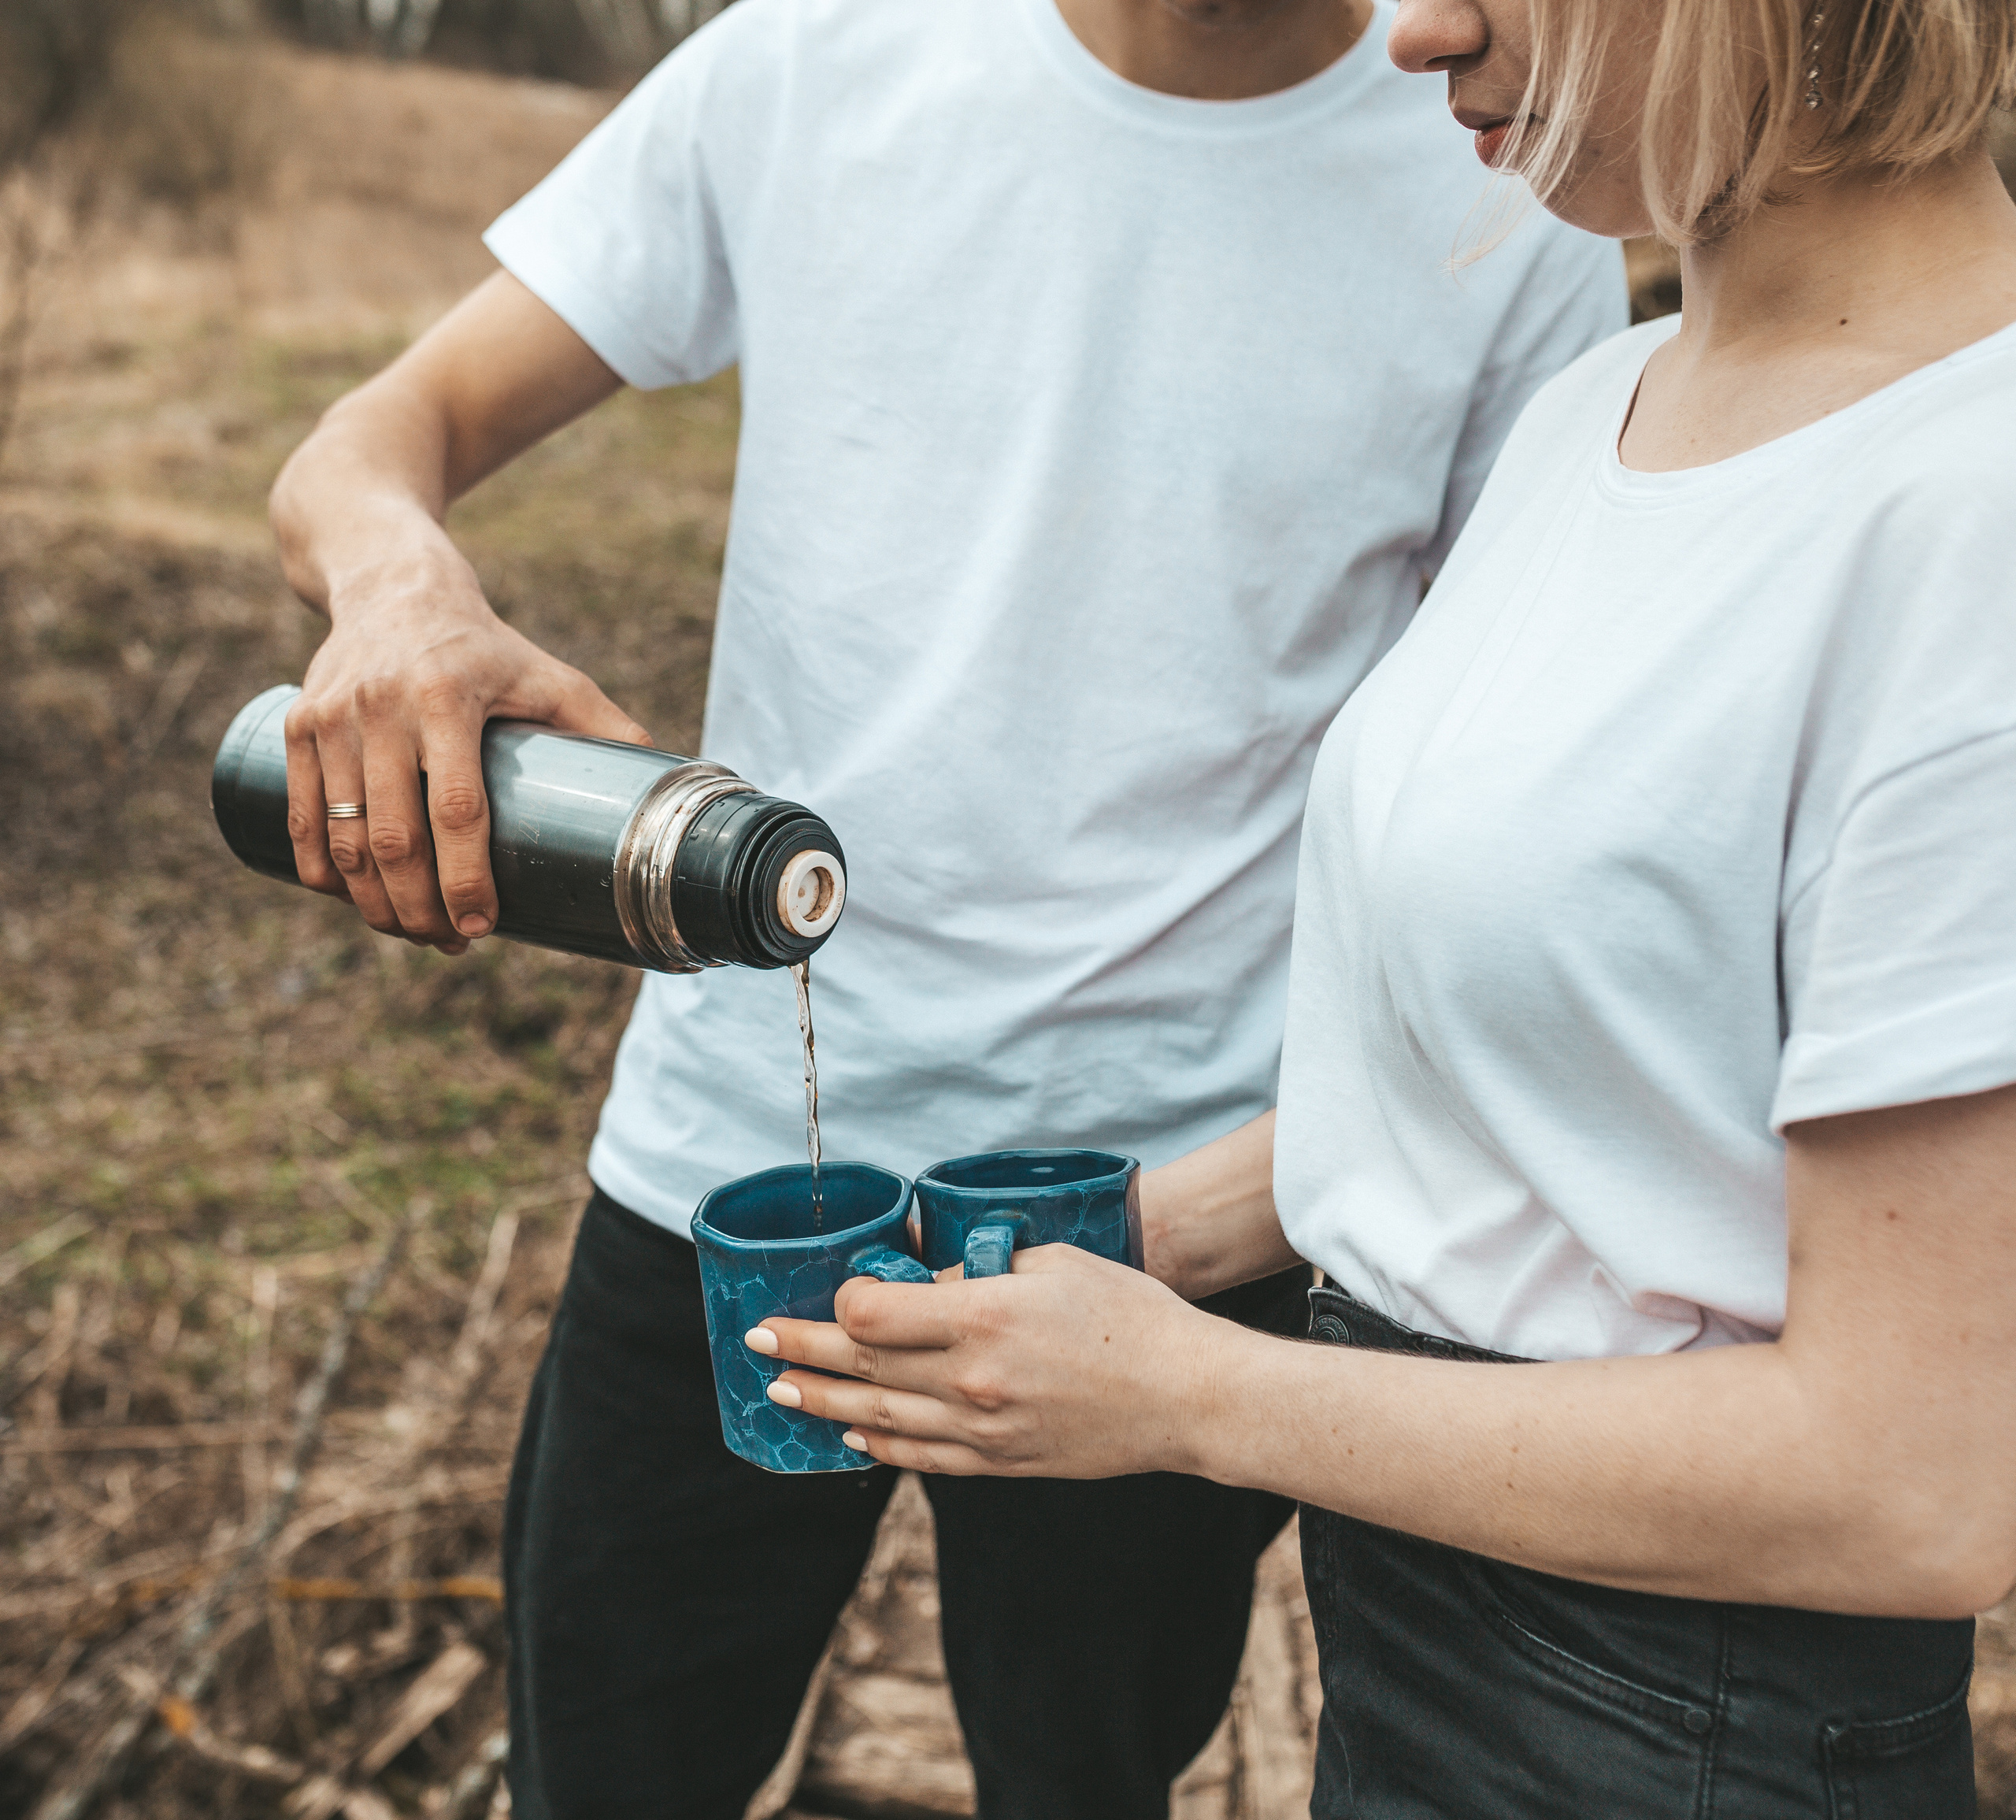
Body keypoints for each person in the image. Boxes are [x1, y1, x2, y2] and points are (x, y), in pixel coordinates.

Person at [266, 0, 1623, 1811]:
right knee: (609, 1771)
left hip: (1160, 1232)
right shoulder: (814, 57)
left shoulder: (1506, 185)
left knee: (1084, 1775)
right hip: (728, 1168)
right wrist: (396, 586)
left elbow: (1486, 766)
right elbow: (371, 437)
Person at [747, 0, 2016, 1814]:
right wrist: (1145, 1238)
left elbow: (1907, 1486)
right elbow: (1562, 1066)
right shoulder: (1604, 403)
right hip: (1427, 1639)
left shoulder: (1970, 513)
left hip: (1682, 1726)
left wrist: (1194, 1398)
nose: (1416, 26)